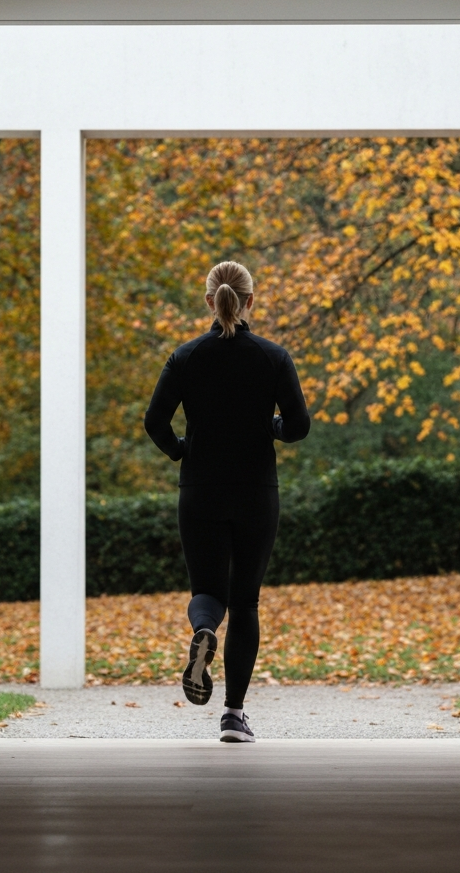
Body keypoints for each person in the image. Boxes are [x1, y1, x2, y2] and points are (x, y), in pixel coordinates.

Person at [143, 260, 311, 743]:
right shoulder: (273, 358)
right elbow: (298, 426)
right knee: (246, 601)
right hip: (257, 492)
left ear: (209, 301)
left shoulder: (185, 357)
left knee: (208, 590)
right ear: (250, 301)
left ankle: (203, 631)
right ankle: (233, 716)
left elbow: (155, 421)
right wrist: (271, 427)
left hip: (199, 491)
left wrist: (181, 450)